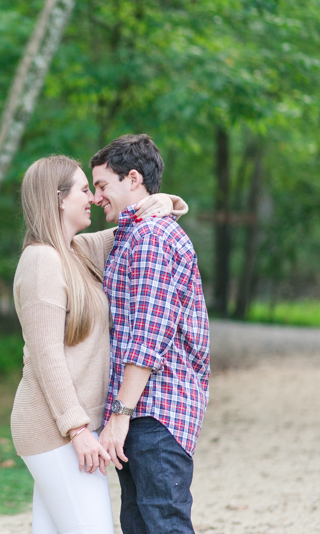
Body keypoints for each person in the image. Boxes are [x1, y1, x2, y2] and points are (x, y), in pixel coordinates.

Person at [10, 154, 189, 533]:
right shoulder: (41, 260)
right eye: (84, 189)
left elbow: (134, 226)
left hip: (68, 428)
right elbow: (47, 360)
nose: (92, 198)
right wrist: (78, 431)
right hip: (52, 429)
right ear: (59, 198)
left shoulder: (77, 252)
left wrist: (166, 200)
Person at [93, 134, 210, 534]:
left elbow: (147, 337)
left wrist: (119, 415)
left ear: (133, 179)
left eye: (102, 185)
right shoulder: (133, 235)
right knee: (140, 525)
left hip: (154, 413)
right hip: (141, 412)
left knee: (164, 524)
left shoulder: (151, 239)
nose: (96, 197)